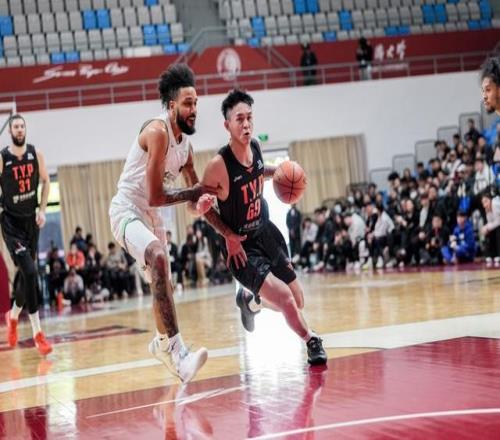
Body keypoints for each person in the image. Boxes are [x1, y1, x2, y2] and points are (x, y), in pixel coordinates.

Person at [200, 89, 327, 366]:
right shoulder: (218, 165)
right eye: (239, 119)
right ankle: (311, 340)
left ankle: (251, 302)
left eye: (249, 118)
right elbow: (200, 205)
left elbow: (259, 170)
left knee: (297, 300)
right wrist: (228, 235)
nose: (246, 124)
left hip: (265, 232)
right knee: (285, 299)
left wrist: (283, 173)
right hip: (241, 246)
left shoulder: (256, 146)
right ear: (227, 125)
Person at [109, 64, 217, 383]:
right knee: (157, 256)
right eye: (187, 103)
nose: (194, 109)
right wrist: (193, 194)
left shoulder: (187, 150)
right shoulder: (158, 132)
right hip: (127, 210)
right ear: (171, 106)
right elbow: (157, 195)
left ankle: (160, 344)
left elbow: (194, 200)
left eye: (196, 103)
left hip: (153, 219)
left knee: (163, 286)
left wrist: (206, 203)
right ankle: (180, 354)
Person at [1, 114, 52, 356]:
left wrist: (42, 210)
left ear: (25, 129)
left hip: (31, 222)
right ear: (10, 131)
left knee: (26, 277)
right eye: (16, 126)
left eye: (22, 126)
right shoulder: (3, 158)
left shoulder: (35, 154)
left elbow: (47, 182)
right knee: (31, 272)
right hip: (11, 224)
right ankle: (37, 334)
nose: (19, 129)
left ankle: (12, 316)